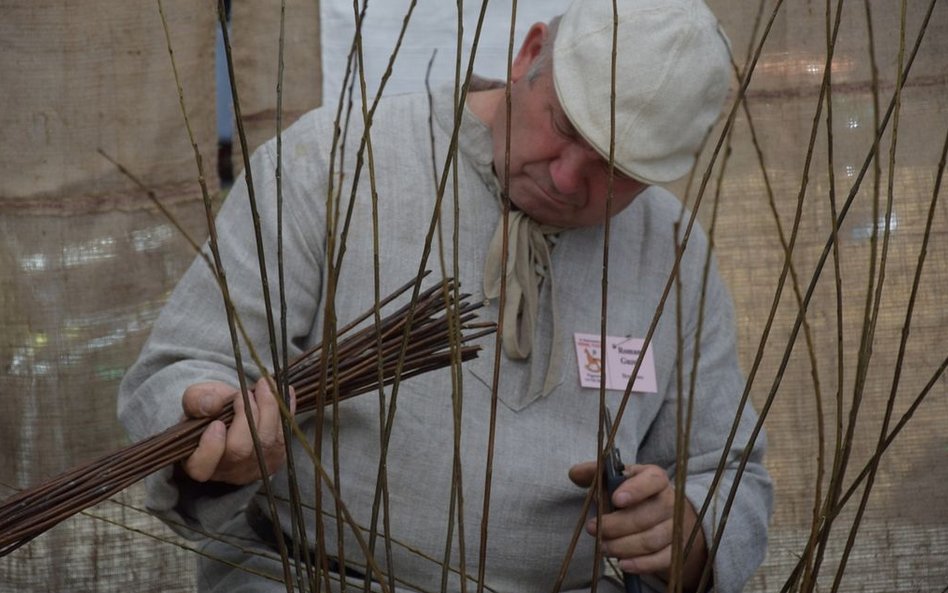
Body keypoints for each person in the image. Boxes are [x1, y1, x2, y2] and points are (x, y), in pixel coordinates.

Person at [118, 1, 773, 592]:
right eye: (567, 128)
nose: (570, 177)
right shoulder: (334, 163)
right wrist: (214, 428)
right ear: (528, 54)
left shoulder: (673, 253)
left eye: (618, 168)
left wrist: (691, 531)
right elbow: (183, 366)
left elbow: (732, 470)